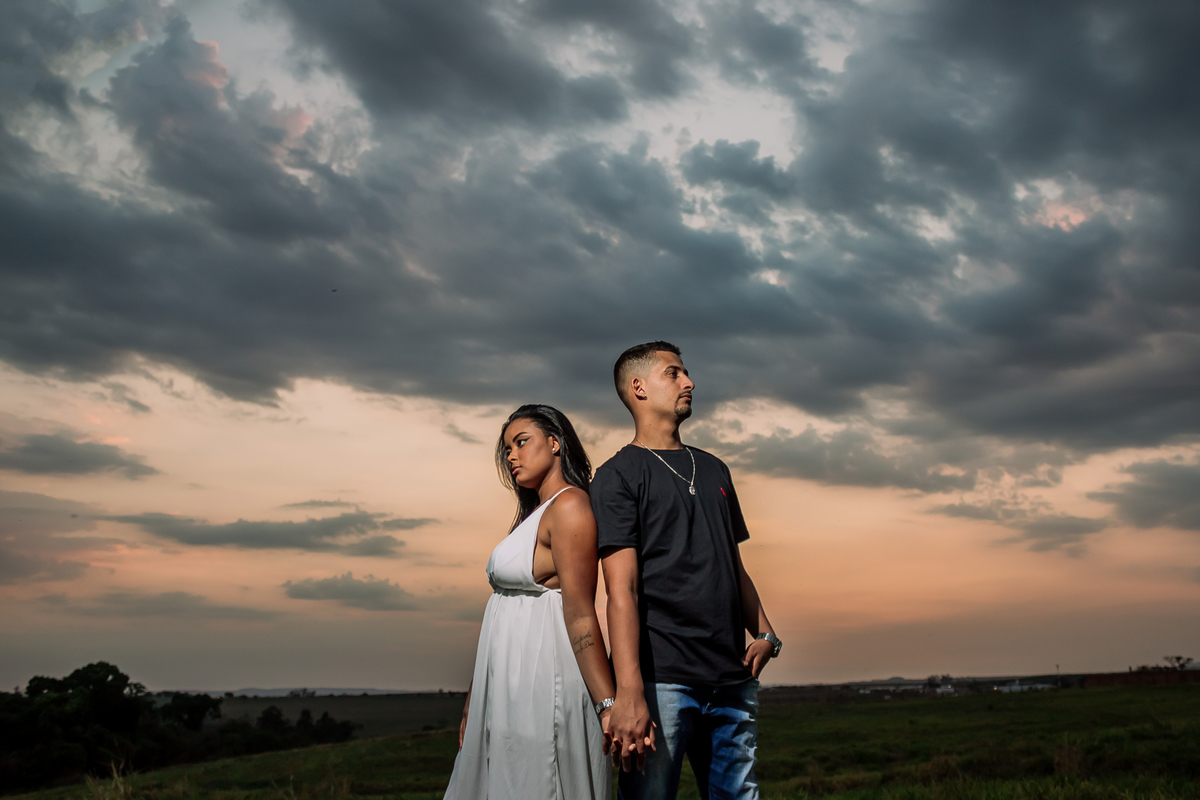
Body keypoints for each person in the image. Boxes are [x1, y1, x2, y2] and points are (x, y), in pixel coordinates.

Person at [591, 342, 782, 800]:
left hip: (731, 679)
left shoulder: (715, 469)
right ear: (638, 387)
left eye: (686, 373)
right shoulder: (616, 476)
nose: (689, 382)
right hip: (663, 684)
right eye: (673, 373)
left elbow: (732, 566)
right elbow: (622, 591)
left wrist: (767, 635)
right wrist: (629, 692)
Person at [444, 404, 614, 800]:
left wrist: (608, 704)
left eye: (522, 442)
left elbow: (580, 612)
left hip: (542, 678)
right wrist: (475, 700)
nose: (511, 456)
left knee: (540, 782)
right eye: (506, 449)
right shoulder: (535, 513)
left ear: (555, 443)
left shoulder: (570, 507)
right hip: (509, 681)